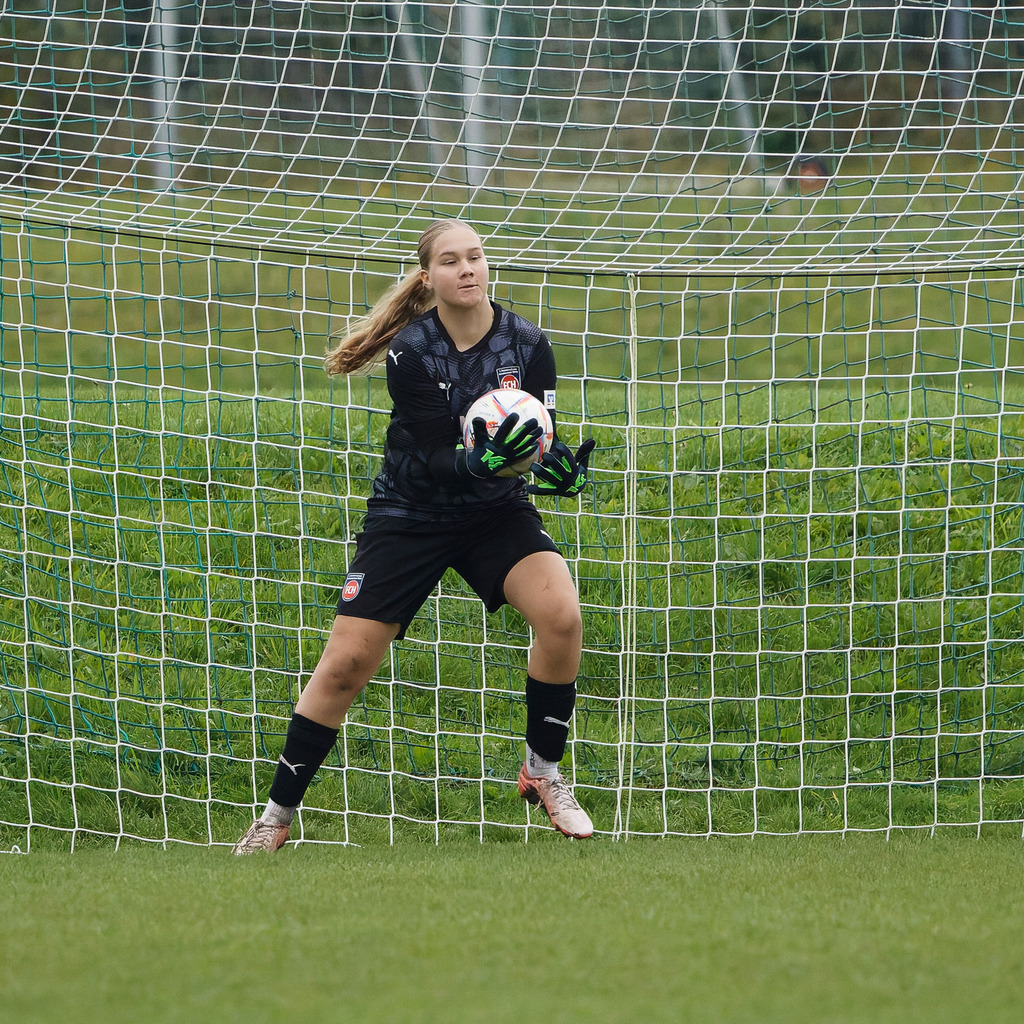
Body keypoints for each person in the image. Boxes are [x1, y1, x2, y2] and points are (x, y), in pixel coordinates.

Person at [233, 219, 597, 853]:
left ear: (488, 266)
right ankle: (275, 818)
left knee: (561, 614)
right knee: (345, 665)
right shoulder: (411, 351)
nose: (467, 269)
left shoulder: (529, 343)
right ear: (428, 278)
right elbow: (430, 456)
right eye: (451, 261)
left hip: (494, 513)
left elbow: (537, 434)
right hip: (410, 514)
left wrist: (556, 467)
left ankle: (543, 772)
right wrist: (480, 463)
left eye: (476, 257)